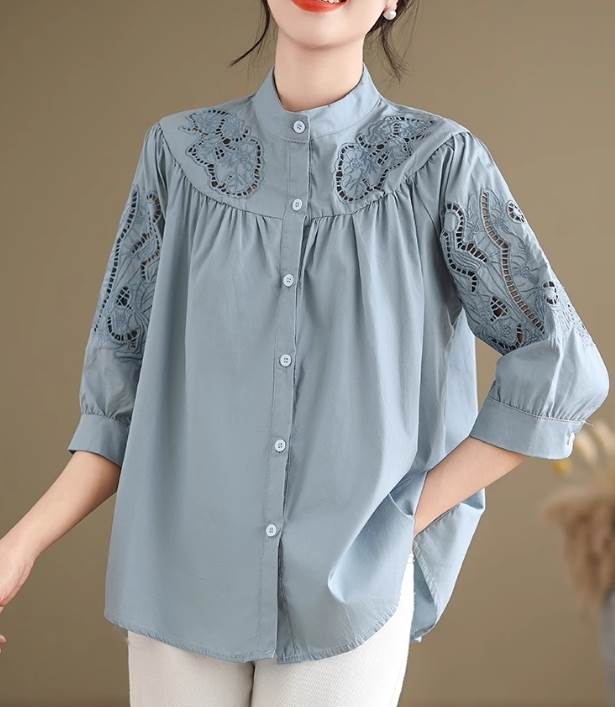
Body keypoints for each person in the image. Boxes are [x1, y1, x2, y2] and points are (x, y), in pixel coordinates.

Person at [0, 0, 610, 705]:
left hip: (350, 595)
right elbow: (117, 406)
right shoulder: (176, 157)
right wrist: (20, 545)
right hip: (177, 578)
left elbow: (559, 362)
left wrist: (403, 517)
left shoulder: (441, 165)